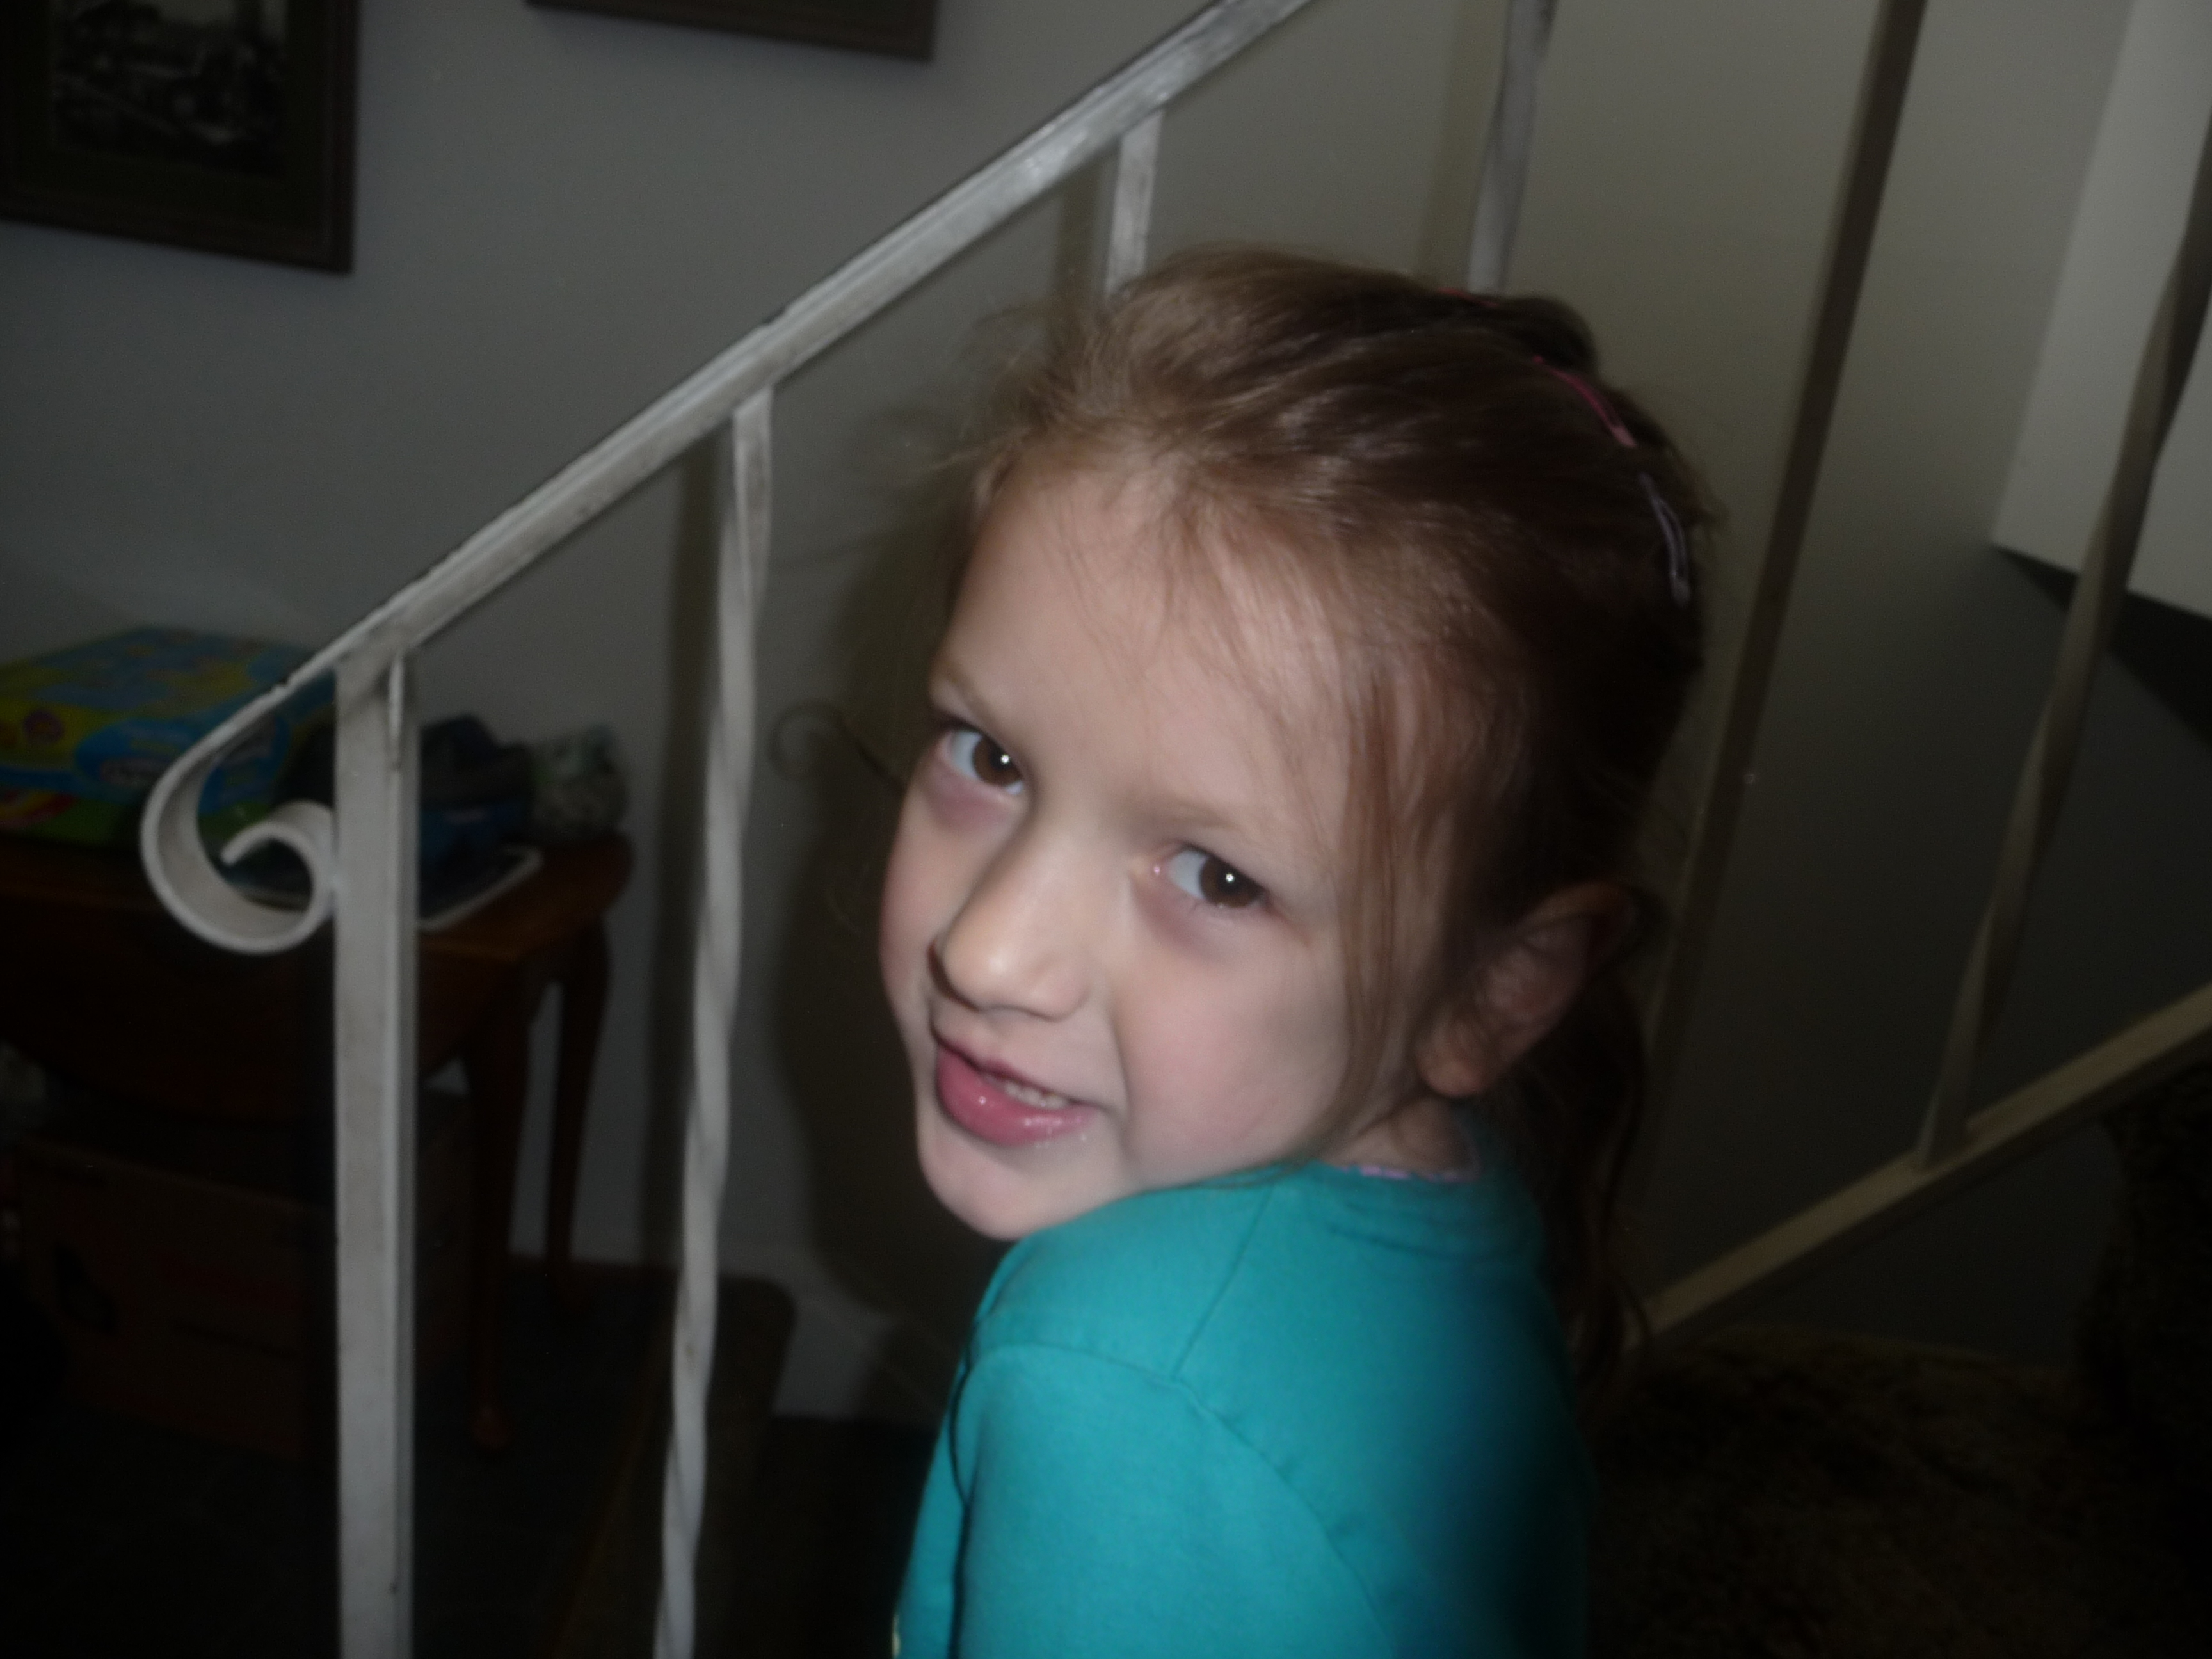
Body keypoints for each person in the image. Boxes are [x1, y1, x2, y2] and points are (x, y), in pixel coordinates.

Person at [876, 248, 1708, 1657]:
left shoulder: (1126, 1388)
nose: (991, 951)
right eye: (991, 757)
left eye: (1216, 877)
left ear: (1496, 989)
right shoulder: (1436, 1185)